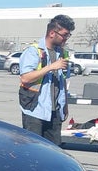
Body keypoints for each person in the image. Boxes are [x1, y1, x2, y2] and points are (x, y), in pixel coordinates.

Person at [18, 14, 75, 145]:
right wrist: (51, 67)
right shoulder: (34, 51)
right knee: (33, 151)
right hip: (35, 110)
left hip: (55, 111)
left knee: (53, 152)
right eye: (64, 35)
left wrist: (65, 105)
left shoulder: (62, 53)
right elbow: (25, 78)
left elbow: (63, 82)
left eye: (68, 35)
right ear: (52, 33)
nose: (66, 39)